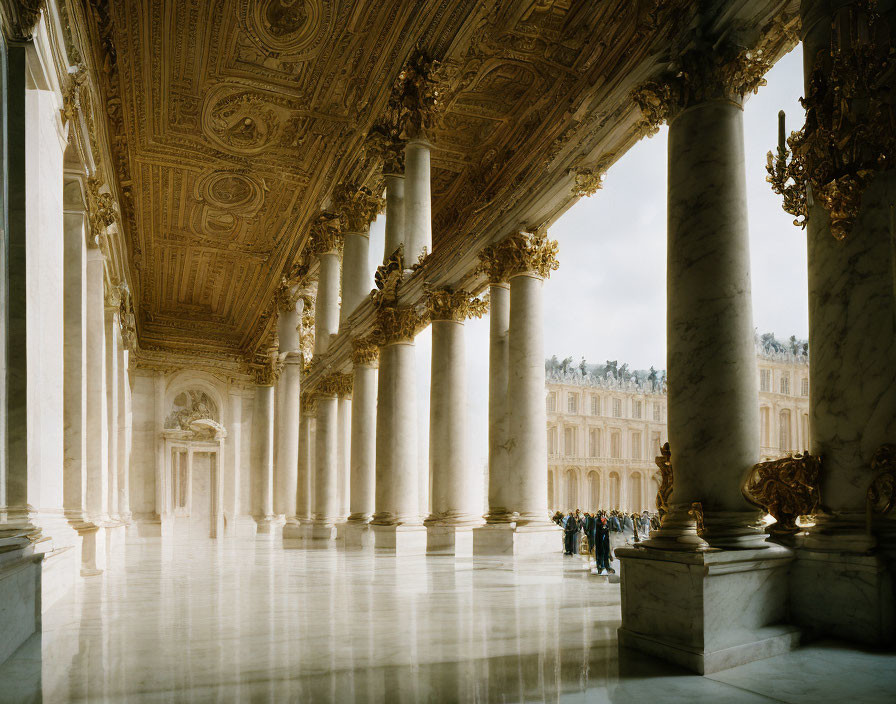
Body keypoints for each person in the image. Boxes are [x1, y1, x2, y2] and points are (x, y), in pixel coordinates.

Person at [593, 511, 614, 575]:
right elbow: (601, 532)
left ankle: (606, 566)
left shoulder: (604, 524)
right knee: (600, 554)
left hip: (605, 542)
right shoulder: (598, 523)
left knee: (606, 554)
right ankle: (600, 567)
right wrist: (605, 528)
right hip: (600, 542)